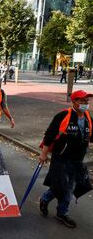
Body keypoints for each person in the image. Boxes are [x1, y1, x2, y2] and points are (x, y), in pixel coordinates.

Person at [39, 90, 93, 228]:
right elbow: (49, 136)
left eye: (87, 101)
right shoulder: (63, 115)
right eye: (82, 101)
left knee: (68, 187)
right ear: (74, 102)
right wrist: (43, 154)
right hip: (61, 158)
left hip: (78, 159)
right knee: (64, 188)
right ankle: (58, 209)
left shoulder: (87, 116)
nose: (85, 104)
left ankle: (53, 206)